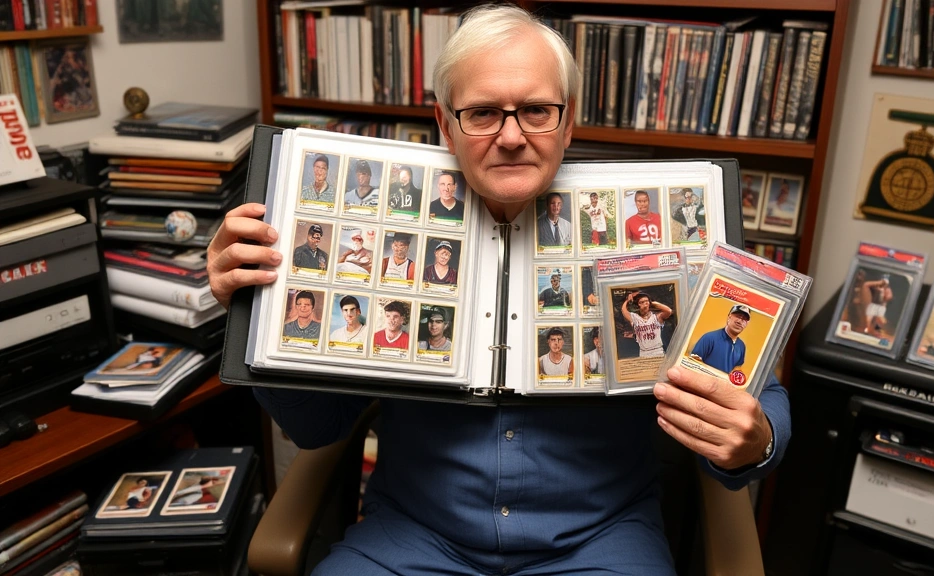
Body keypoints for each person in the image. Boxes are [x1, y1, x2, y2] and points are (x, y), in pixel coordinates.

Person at [207, 6, 789, 574]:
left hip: (599, 543)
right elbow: (317, 428)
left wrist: (756, 437)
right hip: (411, 537)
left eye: (536, 110)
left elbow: (760, 398)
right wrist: (252, 310)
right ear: (445, 125)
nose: (511, 137)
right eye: (483, 113)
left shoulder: (661, 235)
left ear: (568, 121)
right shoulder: (393, 240)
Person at [690, 304, 751, 374]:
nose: (739, 321)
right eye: (738, 316)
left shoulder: (741, 346)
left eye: (744, 319)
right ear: (729, 317)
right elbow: (693, 363)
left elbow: (737, 368)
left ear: (746, 324)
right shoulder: (709, 338)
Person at [620, 291, 674, 357]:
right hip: (644, 353)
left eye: (647, 301)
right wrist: (627, 300)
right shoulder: (635, 318)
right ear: (638, 305)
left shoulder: (656, 317)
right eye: (642, 302)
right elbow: (624, 310)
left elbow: (669, 311)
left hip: (657, 351)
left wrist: (653, 303)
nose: (645, 303)